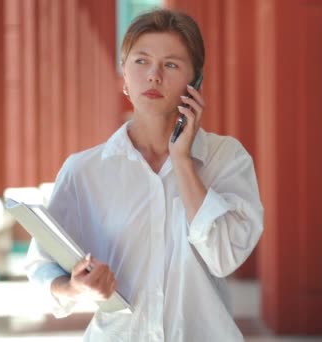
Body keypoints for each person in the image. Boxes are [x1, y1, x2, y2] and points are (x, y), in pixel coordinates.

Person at [25, 8, 263, 342]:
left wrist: (182, 162)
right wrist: (74, 287)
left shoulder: (226, 159)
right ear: (124, 73)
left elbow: (224, 257)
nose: (154, 76)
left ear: (196, 82)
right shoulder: (85, 171)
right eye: (141, 61)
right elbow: (41, 266)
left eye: (171, 64)